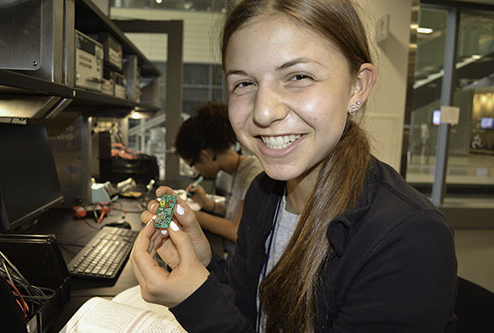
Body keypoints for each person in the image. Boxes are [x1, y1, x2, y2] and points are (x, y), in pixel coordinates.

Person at [130, 0, 457, 331]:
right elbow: (247, 319)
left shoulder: (409, 239)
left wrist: (195, 299)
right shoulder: (263, 196)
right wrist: (203, 267)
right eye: (244, 83)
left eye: (298, 76)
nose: (263, 112)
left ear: (357, 87)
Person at [174, 102, 263, 256]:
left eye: (193, 165)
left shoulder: (254, 173)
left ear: (205, 155)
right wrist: (206, 203)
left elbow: (237, 231)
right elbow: (235, 211)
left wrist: (191, 216)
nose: (196, 171)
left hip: (240, 264)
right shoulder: (232, 172)